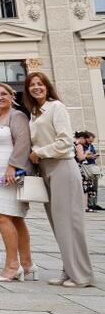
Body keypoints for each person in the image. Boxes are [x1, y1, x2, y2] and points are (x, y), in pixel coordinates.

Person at [25, 72, 94, 287]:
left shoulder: (56, 107)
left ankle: (82, 275)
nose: (36, 87)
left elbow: (65, 142)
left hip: (62, 167)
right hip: (46, 170)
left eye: (40, 84)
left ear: (47, 86)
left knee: (70, 224)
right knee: (59, 224)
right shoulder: (35, 114)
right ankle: (69, 270)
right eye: (32, 85)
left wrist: (39, 152)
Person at [0, 82, 34, 282]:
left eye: (3, 93)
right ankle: (28, 264)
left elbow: (23, 142)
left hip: (10, 174)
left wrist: (12, 167)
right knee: (15, 219)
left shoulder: (17, 116)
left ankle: (13, 266)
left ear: (12, 96)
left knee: (1, 216)